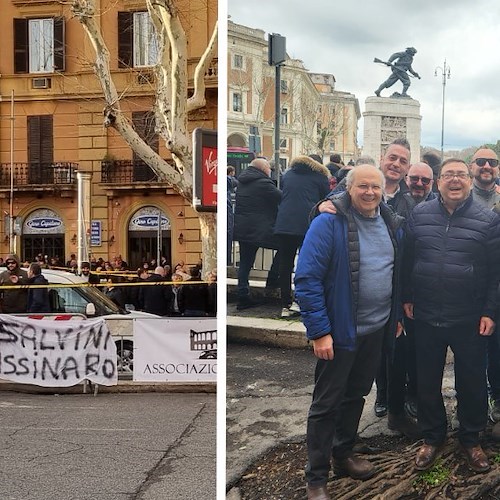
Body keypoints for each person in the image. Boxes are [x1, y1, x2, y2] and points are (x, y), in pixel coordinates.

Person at [295, 165, 404, 500]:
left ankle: (342, 455)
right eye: (362, 186)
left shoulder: (390, 222)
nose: (369, 192)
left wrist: (396, 315)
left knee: (356, 395)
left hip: (376, 330)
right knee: (325, 404)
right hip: (339, 333)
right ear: (347, 188)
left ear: (384, 190)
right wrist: (319, 331)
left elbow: (394, 274)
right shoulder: (328, 222)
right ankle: (316, 478)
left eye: (375, 187)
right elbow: (307, 279)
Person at [403, 158, 500, 473]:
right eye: (448, 175)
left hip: (470, 318)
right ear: (438, 181)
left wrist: (489, 311)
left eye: (460, 174)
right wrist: (407, 297)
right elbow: (407, 260)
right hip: (427, 314)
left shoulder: (487, 220)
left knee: (471, 382)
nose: (455, 180)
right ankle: (433, 436)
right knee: (427, 382)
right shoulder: (419, 215)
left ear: (470, 180)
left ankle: (471, 439)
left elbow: (495, 274)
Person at [467, 147, 500, 435]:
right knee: (472, 353)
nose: (486, 166)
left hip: (496, 286)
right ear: (471, 166)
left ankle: (497, 398)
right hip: (470, 290)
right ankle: (469, 407)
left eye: (492, 162)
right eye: (481, 161)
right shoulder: (459, 197)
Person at [274, 154, 330, 318]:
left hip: (284, 224)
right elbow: (326, 200)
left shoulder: (288, 174)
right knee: (305, 264)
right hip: (308, 225)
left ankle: (285, 304)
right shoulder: (320, 177)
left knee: (285, 264)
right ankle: (301, 300)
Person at [233, 158, 282, 310]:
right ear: (262, 169)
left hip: (243, 229)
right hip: (261, 229)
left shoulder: (242, 182)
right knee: (285, 247)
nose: (270, 170)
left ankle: (243, 295)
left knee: (246, 263)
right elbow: (281, 197)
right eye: (268, 168)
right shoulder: (264, 183)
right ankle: (272, 279)